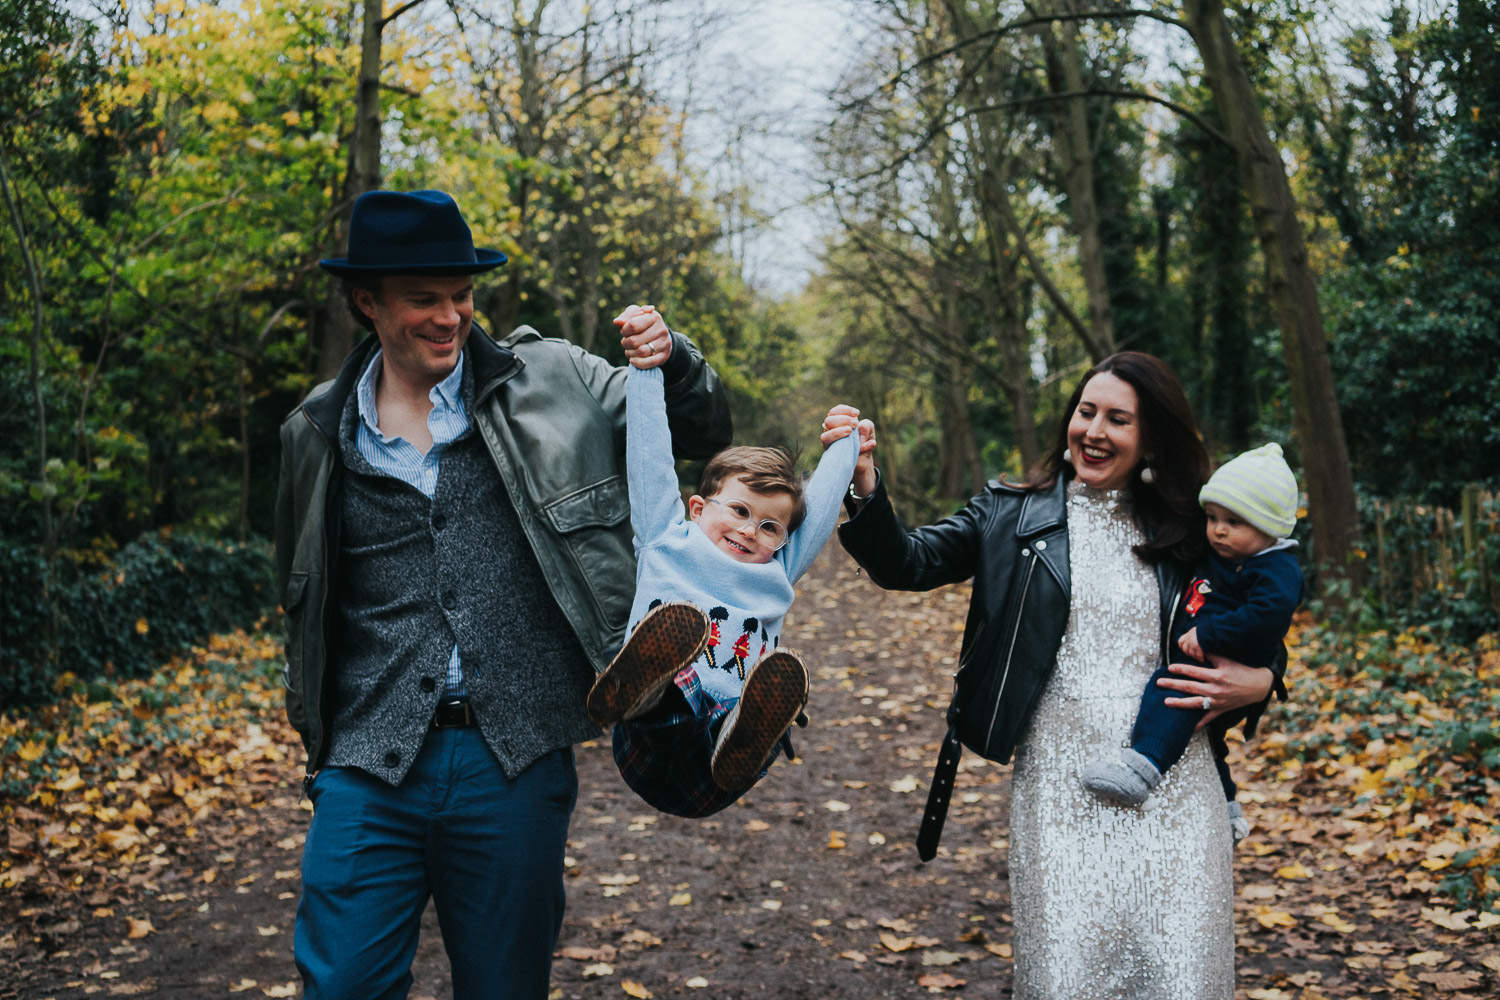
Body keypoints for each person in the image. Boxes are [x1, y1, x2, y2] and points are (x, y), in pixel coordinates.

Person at [274, 189, 731, 999]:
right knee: (340, 985)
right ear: (367, 302)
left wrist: (675, 359)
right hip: (365, 762)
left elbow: (696, 432)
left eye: (462, 295)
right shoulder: (313, 431)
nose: (450, 316)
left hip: (512, 759)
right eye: (425, 299)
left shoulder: (553, 379)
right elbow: (302, 601)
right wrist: (318, 743)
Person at [828, 352, 1286, 998]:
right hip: (1060, 790)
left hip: (1176, 786)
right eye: (1086, 411)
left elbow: (1263, 615)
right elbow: (908, 562)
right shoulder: (1011, 512)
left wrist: (1264, 680)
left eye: (1118, 419)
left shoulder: (1194, 528)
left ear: (1151, 435)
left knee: (1182, 975)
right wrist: (865, 485)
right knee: (1068, 976)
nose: (1094, 430)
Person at [585, 331, 863, 816]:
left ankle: (748, 733)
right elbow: (649, 452)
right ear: (697, 507)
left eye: (769, 526)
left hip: (718, 765)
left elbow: (817, 516)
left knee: (749, 713)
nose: (751, 530)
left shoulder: (778, 568)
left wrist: (847, 442)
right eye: (738, 510)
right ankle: (642, 689)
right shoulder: (666, 536)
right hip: (647, 740)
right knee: (676, 691)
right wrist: (647, 367)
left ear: (783, 539)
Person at [1082, 442, 1303, 843]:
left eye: (1234, 521)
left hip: (1222, 658)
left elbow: (1269, 618)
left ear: (1270, 526)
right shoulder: (1228, 552)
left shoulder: (1275, 568)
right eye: (1213, 518)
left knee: (1170, 691)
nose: (1218, 530)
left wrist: (1212, 638)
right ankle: (1228, 809)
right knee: (1209, 740)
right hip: (1211, 654)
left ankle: (1143, 766)